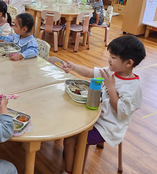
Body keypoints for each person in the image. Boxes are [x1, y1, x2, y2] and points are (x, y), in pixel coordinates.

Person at [60, 35, 146, 174]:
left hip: (107, 129)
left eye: (113, 57)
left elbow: (121, 111)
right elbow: (89, 72)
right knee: (69, 122)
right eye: (110, 55)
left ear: (128, 63)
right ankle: (72, 158)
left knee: (70, 138)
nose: (109, 59)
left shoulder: (132, 88)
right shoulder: (113, 71)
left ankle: (70, 171)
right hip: (96, 117)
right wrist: (73, 67)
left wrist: (111, 88)